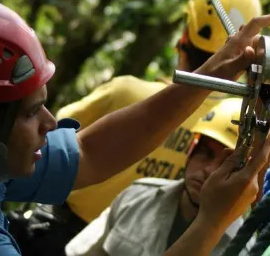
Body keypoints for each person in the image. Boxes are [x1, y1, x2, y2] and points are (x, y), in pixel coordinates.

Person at [0, 0, 270, 256]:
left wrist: (213, 74)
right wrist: (212, 223)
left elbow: (88, 152)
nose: (49, 122)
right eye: (31, 112)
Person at [65, 98, 260, 256]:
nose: (209, 170)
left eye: (225, 166)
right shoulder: (138, 197)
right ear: (192, 149)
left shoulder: (244, 249)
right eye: (206, 154)